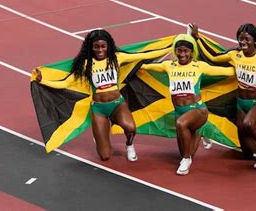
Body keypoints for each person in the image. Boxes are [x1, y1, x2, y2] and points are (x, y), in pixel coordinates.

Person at [33, 29, 170, 162]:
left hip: (117, 104)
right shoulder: (86, 64)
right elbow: (65, 83)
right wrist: (42, 80)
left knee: (130, 128)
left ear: (108, 46)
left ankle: (129, 145)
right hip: (99, 109)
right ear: (91, 48)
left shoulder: (117, 58)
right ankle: (99, 133)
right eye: (96, 47)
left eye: (103, 46)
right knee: (105, 156)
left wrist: (173, 45)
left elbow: (146, 55)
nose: (100, 50)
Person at [190, 23, 256, 169]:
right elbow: (213, 57)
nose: (243, 42)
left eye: (247, 39)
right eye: (240, 38)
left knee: (249, 123)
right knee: (246, 153)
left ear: (255, 41)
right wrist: (197, 38)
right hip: (240, 103)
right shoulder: (234, 54)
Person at [141, 34, 235, 175]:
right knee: (187, 150)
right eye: (179, 51)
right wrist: (130, 64)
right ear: (175, 51)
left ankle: (186, 160)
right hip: (179, 111)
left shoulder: (199, 66)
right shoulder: (168, 65)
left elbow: (228, 71)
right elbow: (146, 67)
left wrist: (244, 64)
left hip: (198, 110)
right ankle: (200, 132)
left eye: (186, 51)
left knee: (181, 125)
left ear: (192, 52)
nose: (182, 54)